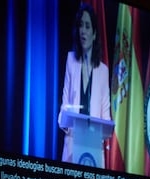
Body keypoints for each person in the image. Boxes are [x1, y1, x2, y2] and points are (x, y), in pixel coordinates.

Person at [58, 3, 111, 167]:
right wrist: (65, 121)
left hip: (93, 151)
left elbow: (106, 117)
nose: (83, 31)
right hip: (72, 147)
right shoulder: (71, 61)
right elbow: (64, 108)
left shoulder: (103, 71)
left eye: (87, 26)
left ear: (94, 34)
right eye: (80, 25)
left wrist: (99, 133)